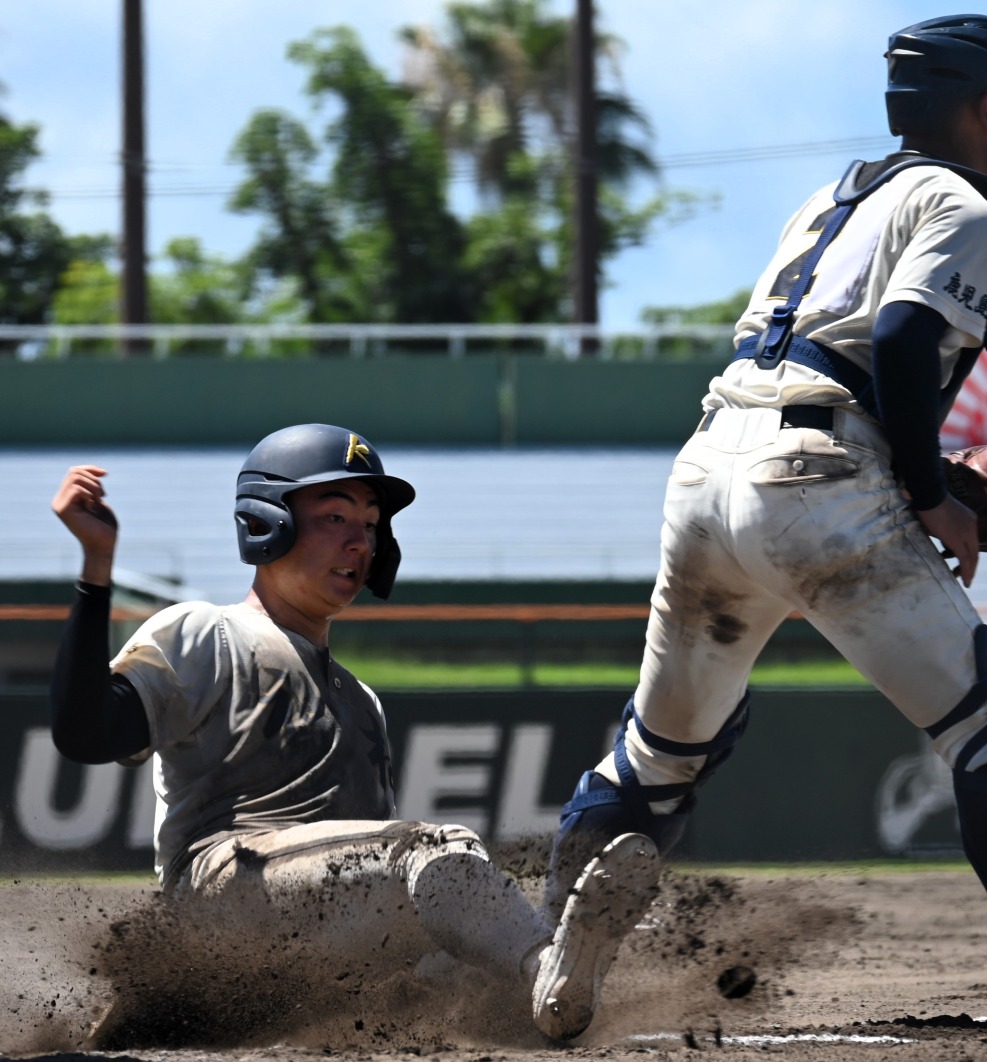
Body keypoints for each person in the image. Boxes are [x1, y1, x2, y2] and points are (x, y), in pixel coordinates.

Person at [544, 15, 987, 1023]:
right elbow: (906, 336)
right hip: (816, 478)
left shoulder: (830, 200)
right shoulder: (972, 200)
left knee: (653, 757)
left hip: (708, 470)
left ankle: (545, 955)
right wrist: (930, 495)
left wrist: (914, 464)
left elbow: (846, 351)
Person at [49, 422, 659, 1045]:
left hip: (316, 942)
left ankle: (546, 972)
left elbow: (371, 885)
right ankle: (545, 969)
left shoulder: (362, 703)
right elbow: (86, 733)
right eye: (336, 517)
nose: (359, 542)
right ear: (268, 521)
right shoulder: (205, 632)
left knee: (466, 957)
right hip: (222, 895)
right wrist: (96, 569)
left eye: (369, 526)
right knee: (431, 850)